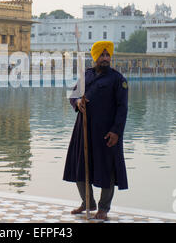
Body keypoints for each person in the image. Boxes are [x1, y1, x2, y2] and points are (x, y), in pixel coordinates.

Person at [63, 41, 129, 220]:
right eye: (102, 55)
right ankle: (87, 202)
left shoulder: (117, 79)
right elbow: (73, 94)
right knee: (79, 167)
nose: (105, 58)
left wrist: (116, 132)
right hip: (83, 131)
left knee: (107, 170)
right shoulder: (86, 75)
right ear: (95, 57)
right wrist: (78, 103)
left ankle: (103, 208)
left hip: (107, 133)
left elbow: (122, 108)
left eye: (108, 55)